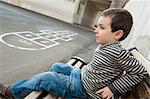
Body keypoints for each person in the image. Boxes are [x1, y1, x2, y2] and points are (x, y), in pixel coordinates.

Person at [0, 8, 148, 99]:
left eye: (102, 28)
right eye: (97, 26)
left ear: (117, 34)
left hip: (82, 89)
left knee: (46, 78)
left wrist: (113, 89)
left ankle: (12, 92)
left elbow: (139, 72)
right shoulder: (108, 46)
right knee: (57, 66)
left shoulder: (117, 52)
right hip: (82, 75)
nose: (96, 30)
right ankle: (56, 87)